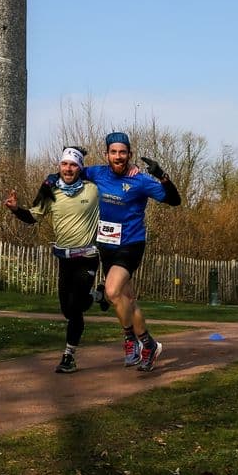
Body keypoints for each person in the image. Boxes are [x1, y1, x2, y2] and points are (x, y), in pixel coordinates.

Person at [83, 131, 182, 372]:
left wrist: (162, 176)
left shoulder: (140, 180)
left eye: (123, 152)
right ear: (106, 154)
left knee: (112, 291)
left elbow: (175, 201)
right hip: (107, 244)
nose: (118, 156)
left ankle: (130, 341)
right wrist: (72, 154)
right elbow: (71, 172)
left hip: (131, 244)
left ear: (130, 154)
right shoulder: (97, 173)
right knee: (126, 300)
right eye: (114, 152)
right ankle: (149, 345)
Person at [4, 146, 101, 373]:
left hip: (87, 256)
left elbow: (114, 186)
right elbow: (33, 217)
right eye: (64, 164)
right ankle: (96, 295)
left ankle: (69, 356)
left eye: (73, 165)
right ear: (59, 166)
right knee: (67, 309)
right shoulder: (51, 190)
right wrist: (16, 209)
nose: (68, 169)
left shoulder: (93, 189)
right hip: (64, 258)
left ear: (80, 168)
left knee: (75, 308)